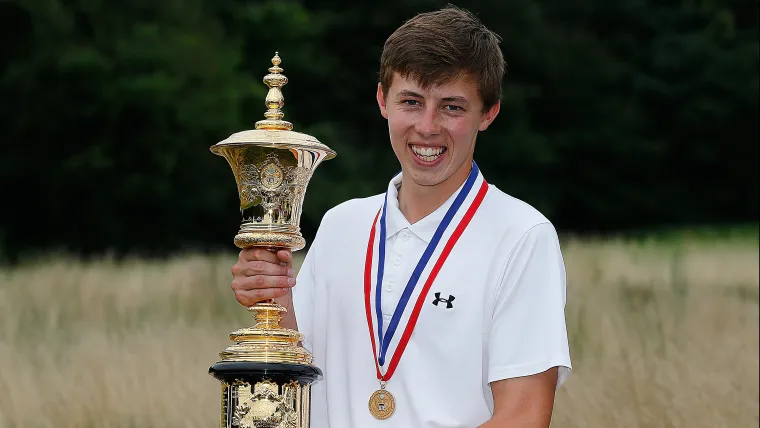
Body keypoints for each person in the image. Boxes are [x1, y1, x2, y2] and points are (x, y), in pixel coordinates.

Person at [230, 5, 572, 427]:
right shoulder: (341, 225)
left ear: (489, 113)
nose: (427, 127)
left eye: (452, 107)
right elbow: (303, 380)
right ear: (382, 101)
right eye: (411, 101)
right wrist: (272, 295)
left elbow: (523, 417)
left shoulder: (522, 236)